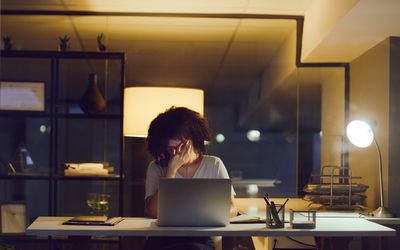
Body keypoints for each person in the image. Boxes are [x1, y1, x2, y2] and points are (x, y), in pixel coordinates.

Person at [144, 106, 238, 250]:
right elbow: (152, 212)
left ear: (192, 140)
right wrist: (171, 171)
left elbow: (232, 209)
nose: (175, 153)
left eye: (180, 147)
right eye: (170, 149)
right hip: (162, 238)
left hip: (200, 238)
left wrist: (205, 217)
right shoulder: (156, 167)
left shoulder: (214, 164)